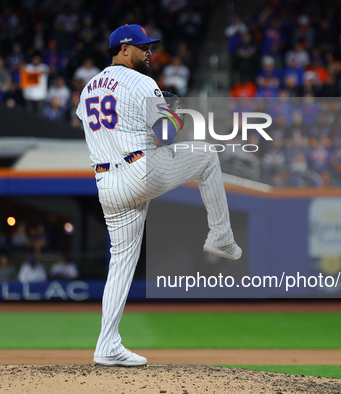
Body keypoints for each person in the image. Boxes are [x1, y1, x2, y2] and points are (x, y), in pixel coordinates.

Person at [76, 25, 242, 367]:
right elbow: (165, 135)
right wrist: (174, 115)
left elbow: (102, 128)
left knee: (120, 262)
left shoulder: (87, 88)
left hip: (106, 184)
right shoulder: (142, 83)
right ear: (124, 50)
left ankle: (107, 345)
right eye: (142, 46)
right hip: (141, 170)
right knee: (208, 155)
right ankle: (221, 237)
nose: (149, 51)